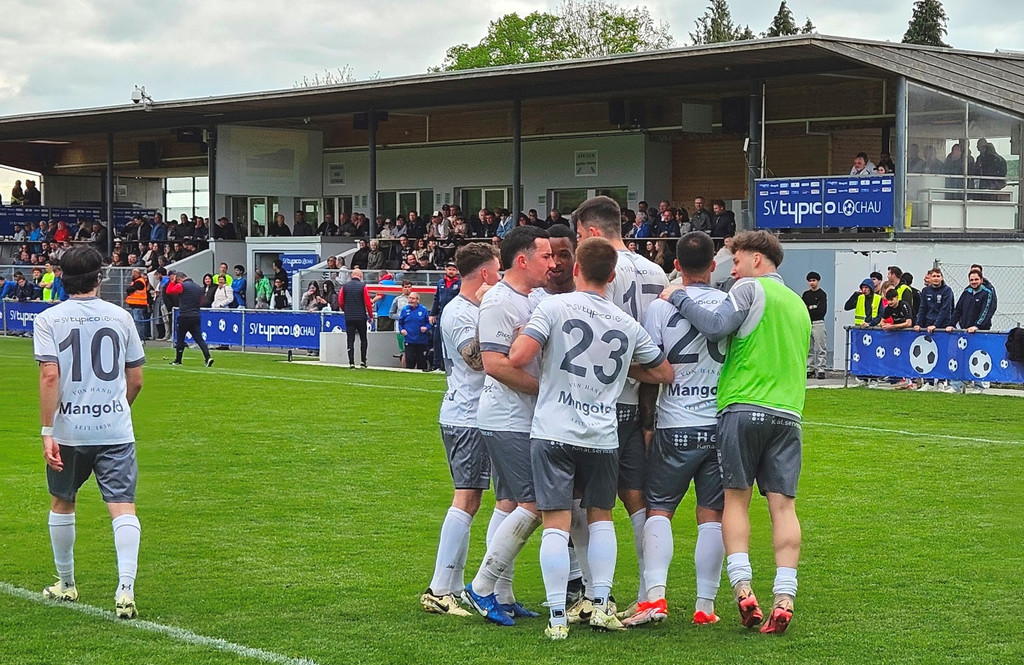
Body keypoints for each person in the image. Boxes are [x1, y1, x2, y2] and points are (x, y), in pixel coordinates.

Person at [508, 236, 673, 639]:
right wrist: (622, 373)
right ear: (612, 275)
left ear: (576, 269)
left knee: (555, 523)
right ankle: (601, 604)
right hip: (602, 432)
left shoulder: (553, 306)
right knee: (601, 519)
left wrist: (524, 335)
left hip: (553, 430)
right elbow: (664, 373)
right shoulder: (626, 322)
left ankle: (557, 618)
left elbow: (518, 357)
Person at [660, 230, 811, 635]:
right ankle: (785, 594)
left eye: (738, 259)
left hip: (743, 407)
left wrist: (675, 295)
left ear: (758, 260)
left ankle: (742, 587)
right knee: (784, 508)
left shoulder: (749, 289)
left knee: (736, 502)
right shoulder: (798, 303)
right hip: (788, 414)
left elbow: (715, 326)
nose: (733, 268)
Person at [33, 245, 145, 620]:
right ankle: (125, 589)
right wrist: (116, 410)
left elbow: (50, 375)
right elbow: (137, 379)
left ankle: (66, 583)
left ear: (62, 277)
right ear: (100, 277)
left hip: (69, 429)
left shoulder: (49, 319)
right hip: (114, 429)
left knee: (63, 501)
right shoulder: (122, 317)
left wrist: (48, 429)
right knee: (122, 506)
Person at [573, 195, 669, 622]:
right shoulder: (656, 269)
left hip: (598, 402)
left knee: (585, 501)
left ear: (593, 234)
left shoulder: (600, 273)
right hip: (640, 401)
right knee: (638, 501)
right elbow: (657, 346)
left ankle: (597, 594)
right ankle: (651, 593)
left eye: (578, 236)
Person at [629, 231, 728, 628]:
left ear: (677, 266)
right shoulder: (730, 304)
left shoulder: (660, 306)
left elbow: (653, 371)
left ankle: (655, 597)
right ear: (714, 265)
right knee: (712, 516)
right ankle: (705, 606)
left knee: (660, 510)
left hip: (675, 423)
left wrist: (647, 423)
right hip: (718, 423)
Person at [463, 226, 553, 627]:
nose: (552, 265)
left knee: (509, 503)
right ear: (523, 260)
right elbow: (496, 364)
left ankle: (502, 592)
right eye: (546, 257)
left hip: (521, 417)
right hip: (507, 419)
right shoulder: (499, 300)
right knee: (533, 505)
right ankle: (481, 587)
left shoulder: (532, 297)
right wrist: (545, 390)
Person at [165, 272, 214, 367]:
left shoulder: (181, 285)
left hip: (184, 315)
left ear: (179, 279)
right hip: (196, 315)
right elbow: (201, 301)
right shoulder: (198, 287)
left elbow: (169, 291)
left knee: (180, 339)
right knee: (199, 338)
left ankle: (178, 360)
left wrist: (172, 281)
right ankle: (208, 357)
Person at [429, 261, 462, 371]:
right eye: (449, 269)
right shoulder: (440, 282)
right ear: (446, 269)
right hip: (441, 314)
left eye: (453, 269)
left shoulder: (460, 283)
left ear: (456, 271)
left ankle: (452, 364)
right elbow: (436, 298)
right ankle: (436, 364)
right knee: (437, 339)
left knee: (452, 340)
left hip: (454, 315)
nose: (451, 271)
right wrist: (432, 313)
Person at [341, 268, 373, 368]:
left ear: (352, 275)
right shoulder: (363, 286)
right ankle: (363, 361)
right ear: (360, 276)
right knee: (363, 339)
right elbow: (368, 302)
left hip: (349, 316)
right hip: (360, 316)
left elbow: (341, 301)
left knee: (350, 339)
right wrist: (370, 316)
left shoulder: (345, 287)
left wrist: (345, 310)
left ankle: (351, 362)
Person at [803, 272, 827, 380]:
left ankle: (821, 368)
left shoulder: (822, 294)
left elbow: (822, 311)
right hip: (808, 322)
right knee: (809, 347)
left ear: (818, 281)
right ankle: (810, 368)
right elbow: (803, 309)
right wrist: (812, 309)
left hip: (818, 323)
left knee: (821, 346)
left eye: (814, 280)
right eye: (810, 281)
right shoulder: (806, 295)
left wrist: (811, 309)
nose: (812, 283)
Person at [399, 293, 432, 370]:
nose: (410, 300)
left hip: (421, 341)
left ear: (417, 300)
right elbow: (400, 323)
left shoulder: (423, 310)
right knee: (410, 361)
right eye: (409, 298)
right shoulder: (405, 310)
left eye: (413, 298)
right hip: (409, 340)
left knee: (422, 362)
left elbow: (429, 323)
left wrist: (426, 328)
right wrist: (402, 330)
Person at [124, 268, 150, 341]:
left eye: (133, 273)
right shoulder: (136, 281)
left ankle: (140, 338)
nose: (132, 275)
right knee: (136, 323)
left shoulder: (139, 282)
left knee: (138, 323)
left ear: (136, 273)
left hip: (138, 305)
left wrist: (129, 290)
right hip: (135, 305)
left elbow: (130, 289)